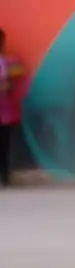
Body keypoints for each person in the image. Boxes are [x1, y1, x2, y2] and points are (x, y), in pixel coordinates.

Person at [0, 29, 26, 187]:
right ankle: (4, 176)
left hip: (5, 110)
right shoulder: (9, 63)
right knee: (4, 144)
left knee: (4, 144)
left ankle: (4, 175)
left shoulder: (8, 63)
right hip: (5, 110)